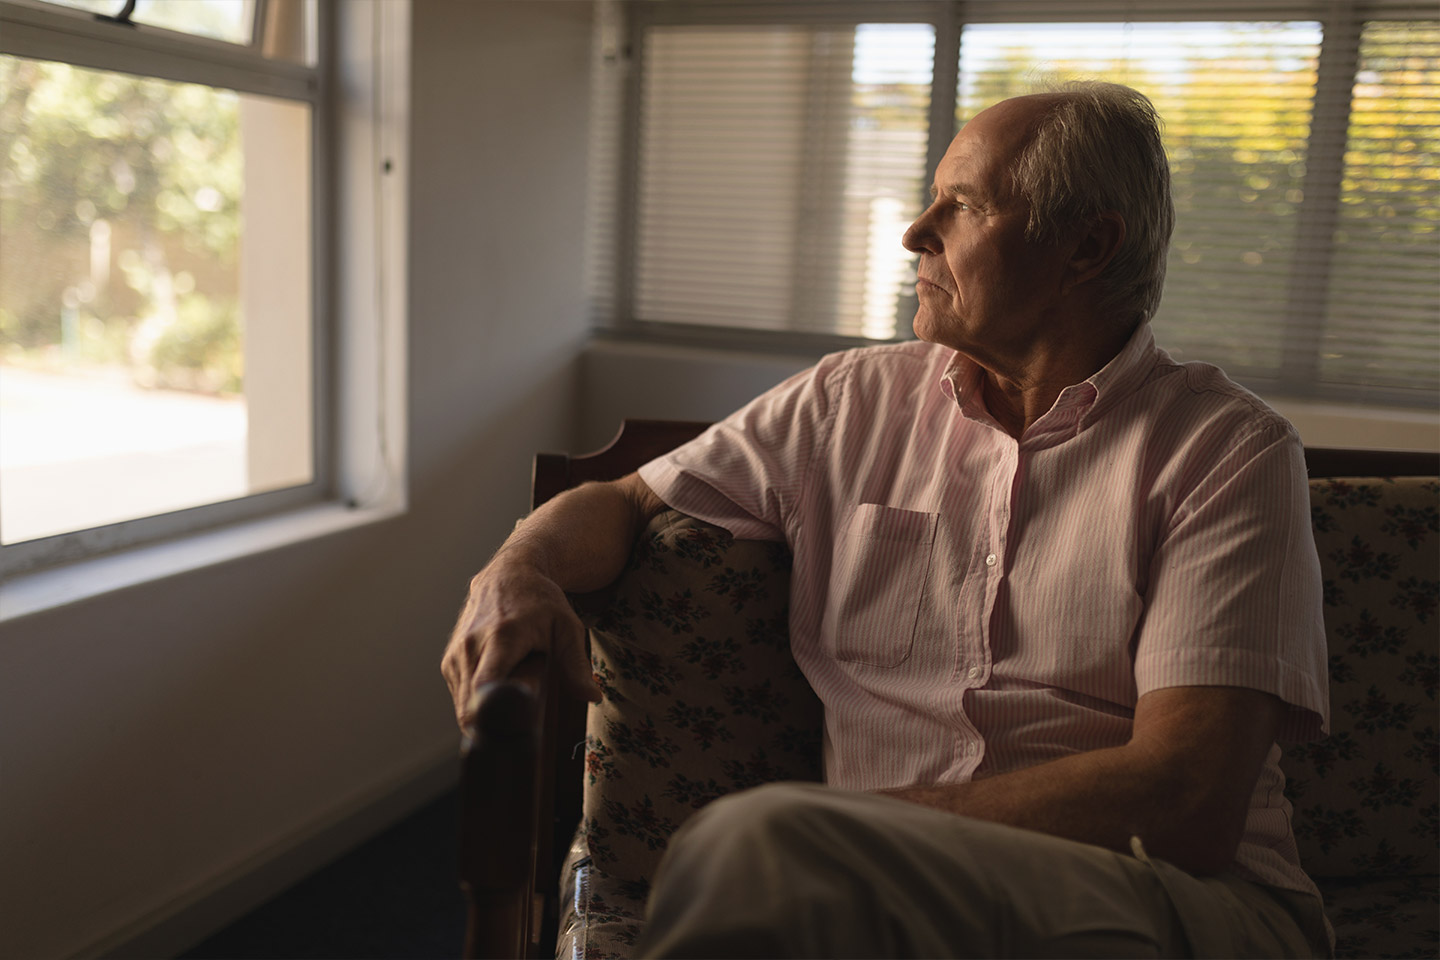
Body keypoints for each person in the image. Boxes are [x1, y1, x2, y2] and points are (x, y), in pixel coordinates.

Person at [441, 81, 1333, 958]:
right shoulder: (847, 400)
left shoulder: (1228, 451)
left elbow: (1188, 800)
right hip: (875, 889)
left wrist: (846, 830)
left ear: (1086, 248)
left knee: (756, 850)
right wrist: (517, 569)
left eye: (962, 206)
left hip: (1178, 900)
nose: (915, 231)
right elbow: (626, 498)